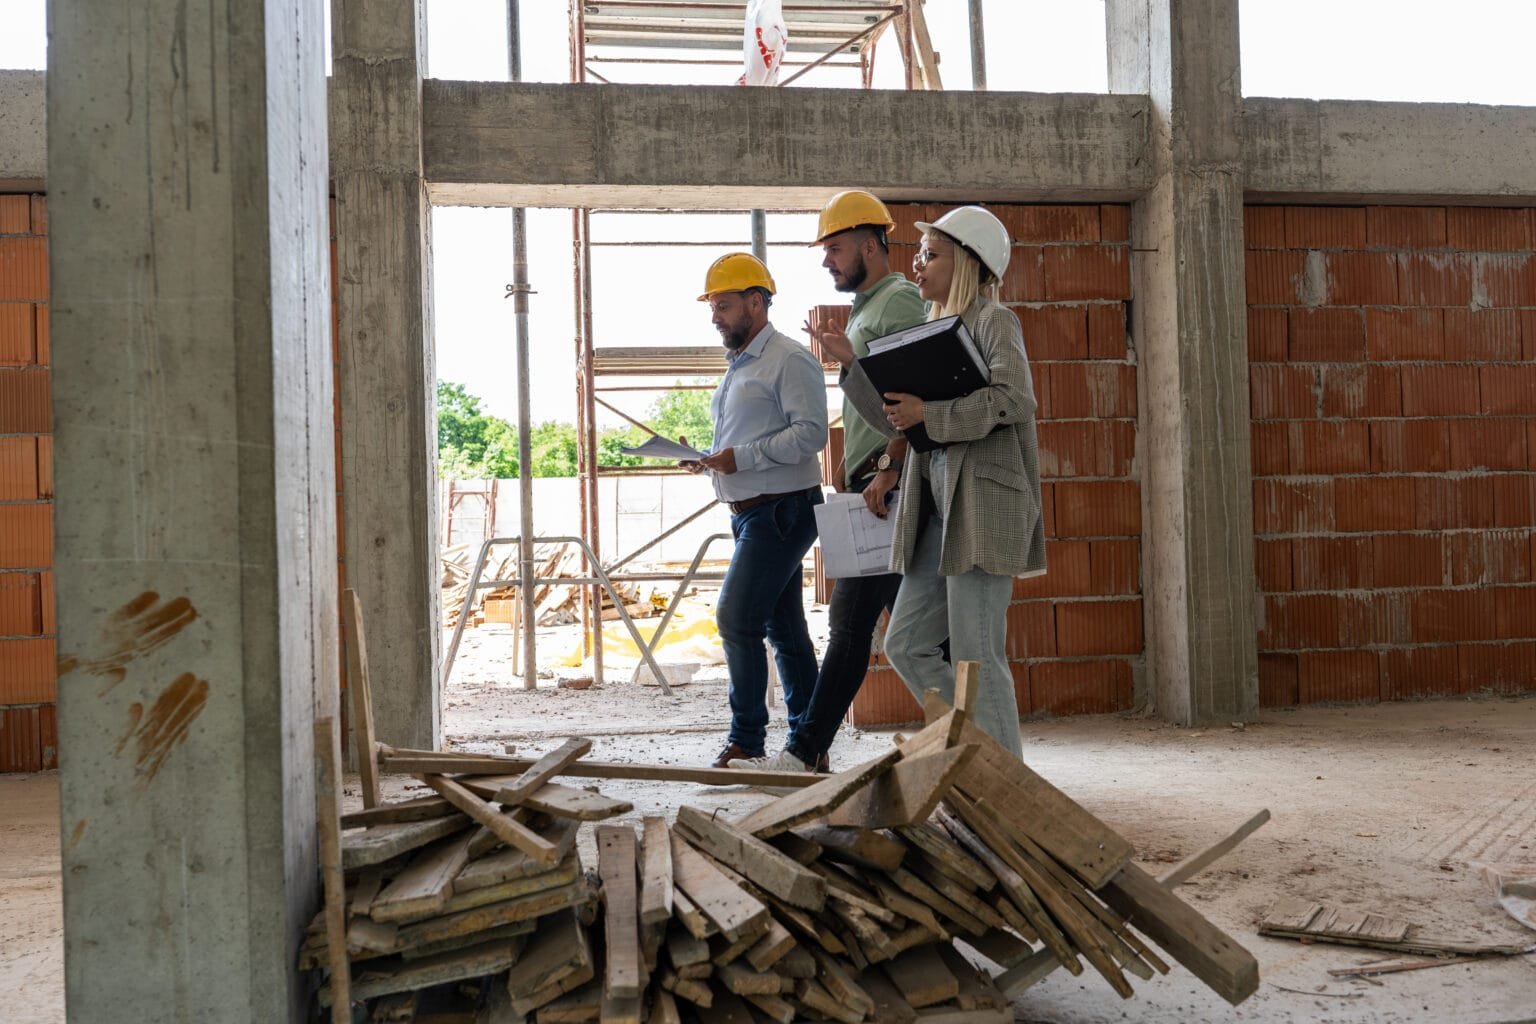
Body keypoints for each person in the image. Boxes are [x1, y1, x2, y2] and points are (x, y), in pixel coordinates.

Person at [819, 206, 1044, 760]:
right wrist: (853, 369)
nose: (917, 265)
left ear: (968, 263)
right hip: (936, 510)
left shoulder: (995, 322)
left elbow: (1015, 400)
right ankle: (968, 751)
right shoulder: (928, 331)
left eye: (930, 255)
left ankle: (1003, 783)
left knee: (976, 653)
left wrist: (932, 415)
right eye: (920, 255)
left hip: (984, 506)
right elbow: (895, 418)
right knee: (907, 643)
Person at [729, 191, 926, 774]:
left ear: (871, 244)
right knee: (895, 634)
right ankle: (810, 750)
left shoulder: (898, 304)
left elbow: (911, 398)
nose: (826, 261)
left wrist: (891, 465)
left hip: (886, 486)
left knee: (862, 629)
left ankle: (804, 750)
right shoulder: (869, 307)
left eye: (835, 248)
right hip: (871, 487)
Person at [682, 253, 829, 769]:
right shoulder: (740, 366)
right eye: (713, 307)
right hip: (750, 511)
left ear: (756, 302)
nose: (715, 316)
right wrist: (710, 459)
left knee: (735, 617)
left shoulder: (789, 359)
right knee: (784, 630)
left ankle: (747, 741)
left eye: (723, 305)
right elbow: (748, 438)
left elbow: (811, 434)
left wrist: (738, 457)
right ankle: (811, 746)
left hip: (782, 511)